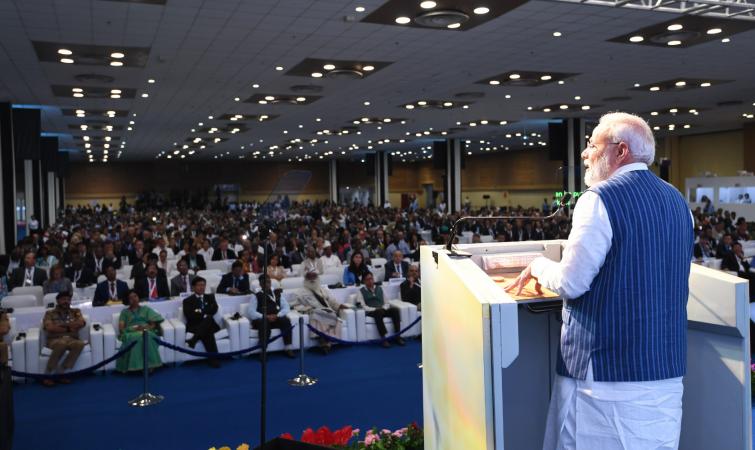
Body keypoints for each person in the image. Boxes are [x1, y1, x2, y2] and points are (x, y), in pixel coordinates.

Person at [504, 112, 693, 449]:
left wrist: (537, 266)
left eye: (592, 145)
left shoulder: (600, 198)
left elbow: (571, 282)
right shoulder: (678, 200)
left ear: (620, 151)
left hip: (605, 379)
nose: (584, 153)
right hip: (665, 373)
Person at [289, 271, 349, 354]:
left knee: (330, 316)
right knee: (317, 316)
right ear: (305, 279)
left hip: (327, 311)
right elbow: (295, 306)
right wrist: (307, 308)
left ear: (317, 279)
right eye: (309, 278)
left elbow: (331, 301)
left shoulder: (322, 290)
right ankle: (324, 342)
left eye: (314, 277)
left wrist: (339, 306)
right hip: (313, 312)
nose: (312, 279)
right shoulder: (299, 292)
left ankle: (326, 342)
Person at [41, 291, 88, 386]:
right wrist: (69, 328)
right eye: (63, 299)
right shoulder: (49, 313)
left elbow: (81, 323)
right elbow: (50, 328)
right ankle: (48, 374)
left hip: (72, 339)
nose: (66, 301)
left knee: (80, 344)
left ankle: (62, 372)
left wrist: (60, 325)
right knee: (61, 344)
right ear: (58, 301)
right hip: (55, 339)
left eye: (68, 299)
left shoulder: (76, 311)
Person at [116, 290, 164, 373]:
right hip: (131, 332)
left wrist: (145, 327)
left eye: (135, 296)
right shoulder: (124, 312)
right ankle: (139, 366)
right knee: (138, 337)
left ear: (138, 297)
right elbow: (121, 328)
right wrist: (134, 329)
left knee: (146, 335)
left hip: (146, 330)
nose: (134, 299)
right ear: (127, 300)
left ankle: (150, 365)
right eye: (131, 298)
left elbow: (153, 325)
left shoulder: (146, 309)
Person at [248, 275, 295, 358]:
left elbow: (286, 307)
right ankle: (263, 351)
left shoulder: (277, 293)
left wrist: (278, 315)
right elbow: (251, 312)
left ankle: (288, 348)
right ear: (260, 284)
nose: (267, 284)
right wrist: (266, 316)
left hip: (276, 318)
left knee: (286, 320)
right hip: (263, 320)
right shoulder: (256, 296)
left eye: (268, 282)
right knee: (264, 323)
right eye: (264, 283)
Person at [355, 272, 404, 348]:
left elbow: (387, 302)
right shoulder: (361, 291)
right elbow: (363, 306)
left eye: (371, 278)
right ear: (364, 281)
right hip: (371, 311)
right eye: (368, 279)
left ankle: (397, 335)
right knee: (378, 312)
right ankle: (383, 338)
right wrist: (375, 309)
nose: (370, 281)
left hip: (383, 309)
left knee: (395, 310)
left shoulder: (379, 288)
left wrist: (384, 308)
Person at [182, 277, 221, 368]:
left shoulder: (210, 297)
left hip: (207, 325)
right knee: (208, 327)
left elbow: (214, 309)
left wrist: (200, 312)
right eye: (199, 285)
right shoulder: (187, 301)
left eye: (203, 285)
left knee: (209, 319)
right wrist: (205, 313)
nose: (202, 287)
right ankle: (214, 360)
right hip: (195, 325)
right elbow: (189, 315)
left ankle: (194, 339)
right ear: (193, 287)